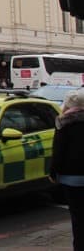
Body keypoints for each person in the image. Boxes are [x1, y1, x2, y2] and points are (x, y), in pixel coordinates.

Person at [51, 87, 84, 251]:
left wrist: (53, 173)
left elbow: (58, 152)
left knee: (77, 217)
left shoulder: (63, 124)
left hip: (70, 178)